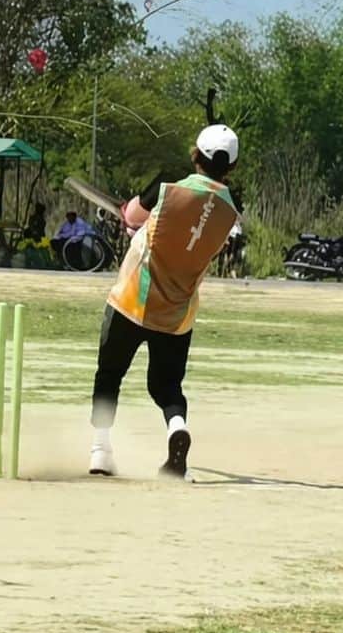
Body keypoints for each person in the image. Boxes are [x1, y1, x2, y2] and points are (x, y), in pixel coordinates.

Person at [88, 124, 241, 480]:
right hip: (177, 312)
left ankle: (100, 449)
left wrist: (134, 227)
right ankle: (176, 427)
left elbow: (132, 218)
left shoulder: (166, 188)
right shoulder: (230, 213)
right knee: (167, 386)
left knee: (110, 374)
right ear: (231, 167)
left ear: (195, 155)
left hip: (132, 299)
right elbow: (190, 237)